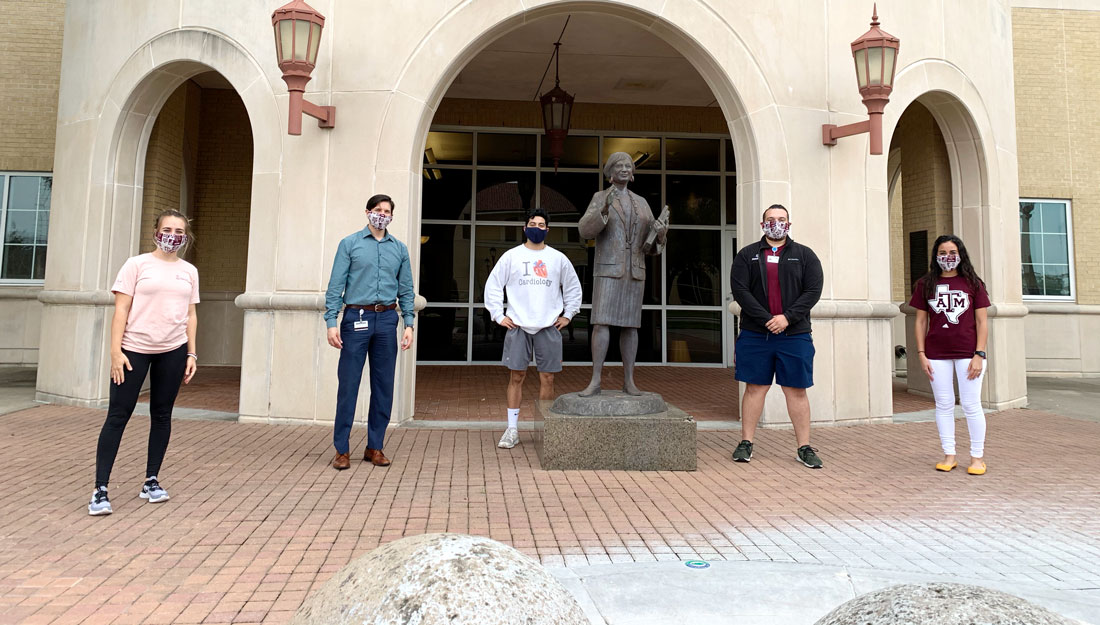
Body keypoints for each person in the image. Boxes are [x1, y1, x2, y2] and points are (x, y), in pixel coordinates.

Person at [88, 209, 199, 515]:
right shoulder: (136, 265)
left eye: (179, 230)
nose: (172, 235)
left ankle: (151, 480)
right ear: (155, 231)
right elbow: (121, 310)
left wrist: (191, 353)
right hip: (133, 350)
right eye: (167, 229)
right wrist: (115, 351)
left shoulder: (189, 271)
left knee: (162, 415)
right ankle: (100, 490)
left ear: (185, 236)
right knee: (117, 416)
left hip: (173, 351)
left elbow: (190, 314)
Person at [324, 194, 416, 470]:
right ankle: (342, 449)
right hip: (356, 318)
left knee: (383, 387)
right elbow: (335, 286)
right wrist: (331, 322)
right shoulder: (349, 244)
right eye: (378, 210)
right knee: (349, 385)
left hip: (387, 320)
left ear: (391, 216)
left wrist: (409, 324)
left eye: (387, 211)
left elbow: (407, 290)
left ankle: (375, 446)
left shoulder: (399, 249)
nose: (382, 215)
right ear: (367, 212)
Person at [729, 204, 824, 468]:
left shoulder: (805, 256)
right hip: (755, 334)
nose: (776, 224)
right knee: (755, 388)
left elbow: (812, 292)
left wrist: (787, 318)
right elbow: (741, 291)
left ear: (789, 224)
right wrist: (766, 319)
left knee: (796, 390)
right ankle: (746, 442)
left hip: (794, 335)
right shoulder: (747, 255)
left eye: (781, 219)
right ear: (763, 225)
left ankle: (804, 447)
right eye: (771, 220)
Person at [484, 208, 582, 449]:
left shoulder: (558, 258)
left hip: (548, 326)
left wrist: (568, 315)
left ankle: (545, 428)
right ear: (524, 228)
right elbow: (494, 285)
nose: (536, 228)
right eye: (532, 224)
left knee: (547, 377)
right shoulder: (511, 256)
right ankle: (512, 429)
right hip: (518, 325)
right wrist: (498, 315)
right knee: (516, 376)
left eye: (541, 225)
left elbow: (573, 288)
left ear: (547, 230)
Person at [577, 152, 668, 396]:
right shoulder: (600, 197)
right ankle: (596, 380)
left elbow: (652, 248)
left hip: (635, 270)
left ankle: (629, 380)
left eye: (628, 165)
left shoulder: (642, 203)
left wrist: (659, 234)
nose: (625, 169)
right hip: (608, 269)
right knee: (601, 323)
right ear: (610, 173)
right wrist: (603, 211)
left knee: (630, 326)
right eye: (619, 165)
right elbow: (585, 230)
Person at [909, 234, 990, 475]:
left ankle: (977, 458)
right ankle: (949, 455)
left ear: (961, 254)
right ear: (936, 256)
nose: (947, 257)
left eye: (952, 252)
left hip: (969, 353)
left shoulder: (973, 283)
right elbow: (920, 321)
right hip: (936, 354)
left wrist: (980, 353)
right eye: (942, 253)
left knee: (971, 405)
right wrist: (922, 354)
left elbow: (982, 322)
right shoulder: (926, 284)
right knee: (943, 405)